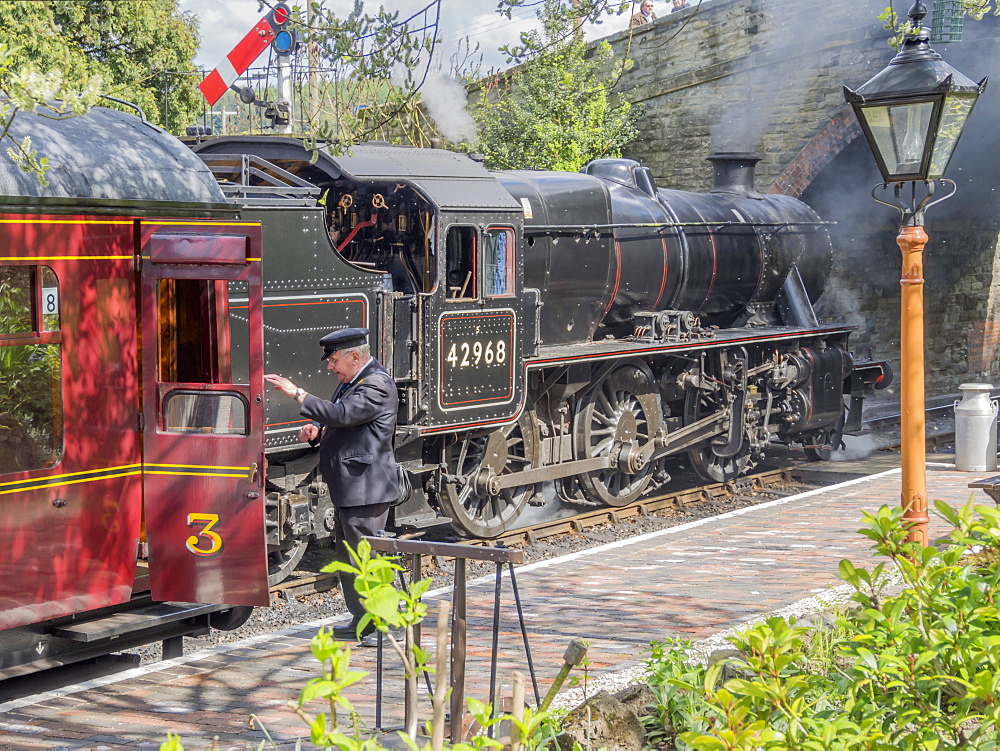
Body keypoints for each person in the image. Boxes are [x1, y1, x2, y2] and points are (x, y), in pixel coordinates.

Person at [264, 327, 399, 643]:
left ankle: (388, 624)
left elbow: (344, 413)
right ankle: (362, 620)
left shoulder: (376, 384)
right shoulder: (352, 381)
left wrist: (297, 393)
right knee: (350, 555)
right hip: (351, 485)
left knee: (369, 558)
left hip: (367, 487)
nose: (330, 366)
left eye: (334, 359)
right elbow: (345, 424)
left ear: (355, 356)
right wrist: (318, 431)